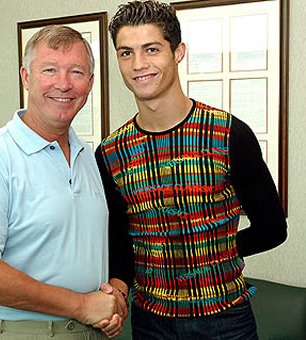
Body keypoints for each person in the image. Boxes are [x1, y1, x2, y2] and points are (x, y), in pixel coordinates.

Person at [95, 1, 288, 339]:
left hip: (226, 319)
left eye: (151, 49)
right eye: (126, 53)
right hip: (150, 321)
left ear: (178, 52)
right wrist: (117, 292)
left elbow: (272, 229)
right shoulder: (110, 153)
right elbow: (119, 241)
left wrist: (208, 252)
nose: (138, 64)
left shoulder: (229, 134)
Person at [0, 25, 127, 340]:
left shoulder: (89, 155)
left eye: (76, 72)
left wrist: (114, 299)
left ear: (90, 83)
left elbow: (97, 245)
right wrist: (82, 305)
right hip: (18, 332)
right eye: (49, 70)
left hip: (92, 330)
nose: (63, 83)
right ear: (26, 77)